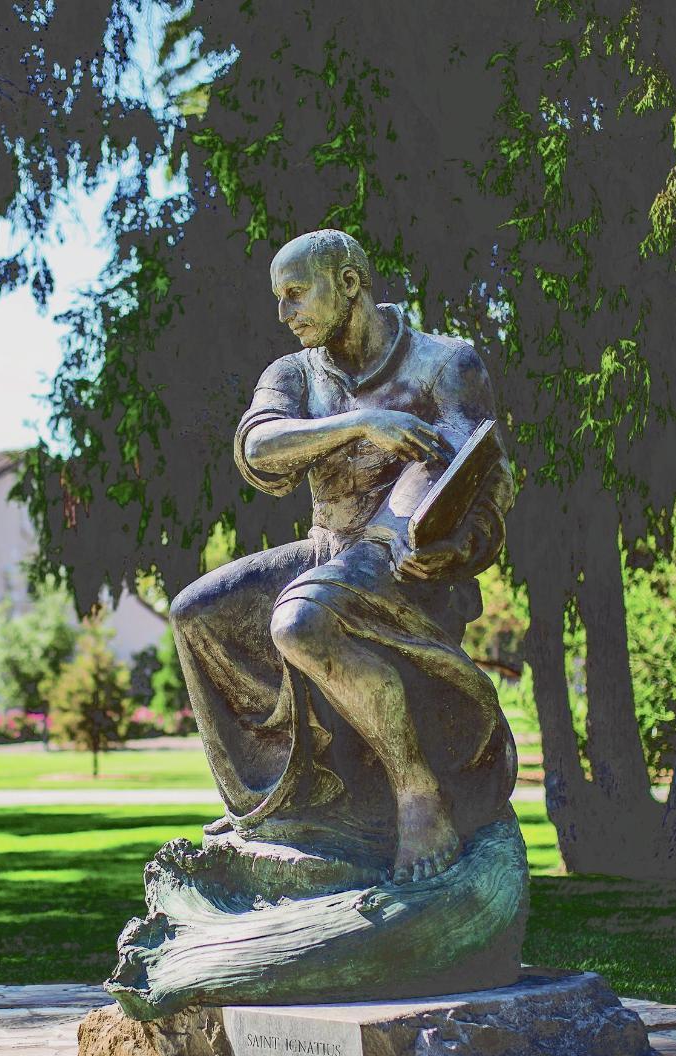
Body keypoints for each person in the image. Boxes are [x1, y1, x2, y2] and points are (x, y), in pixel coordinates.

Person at [170, 230, 516, 885]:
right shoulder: (295, 372)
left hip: (404, 560)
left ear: (349, 283)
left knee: (300, 621)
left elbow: (484, 485)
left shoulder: (446, 364)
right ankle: (274, 805)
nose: (285, 312)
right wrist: (359, 424)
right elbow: (258, 448)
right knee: (197, 614)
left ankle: (420, 797)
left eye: (296, 292)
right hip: (329, 550)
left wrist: (453, 547)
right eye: (279, 298)